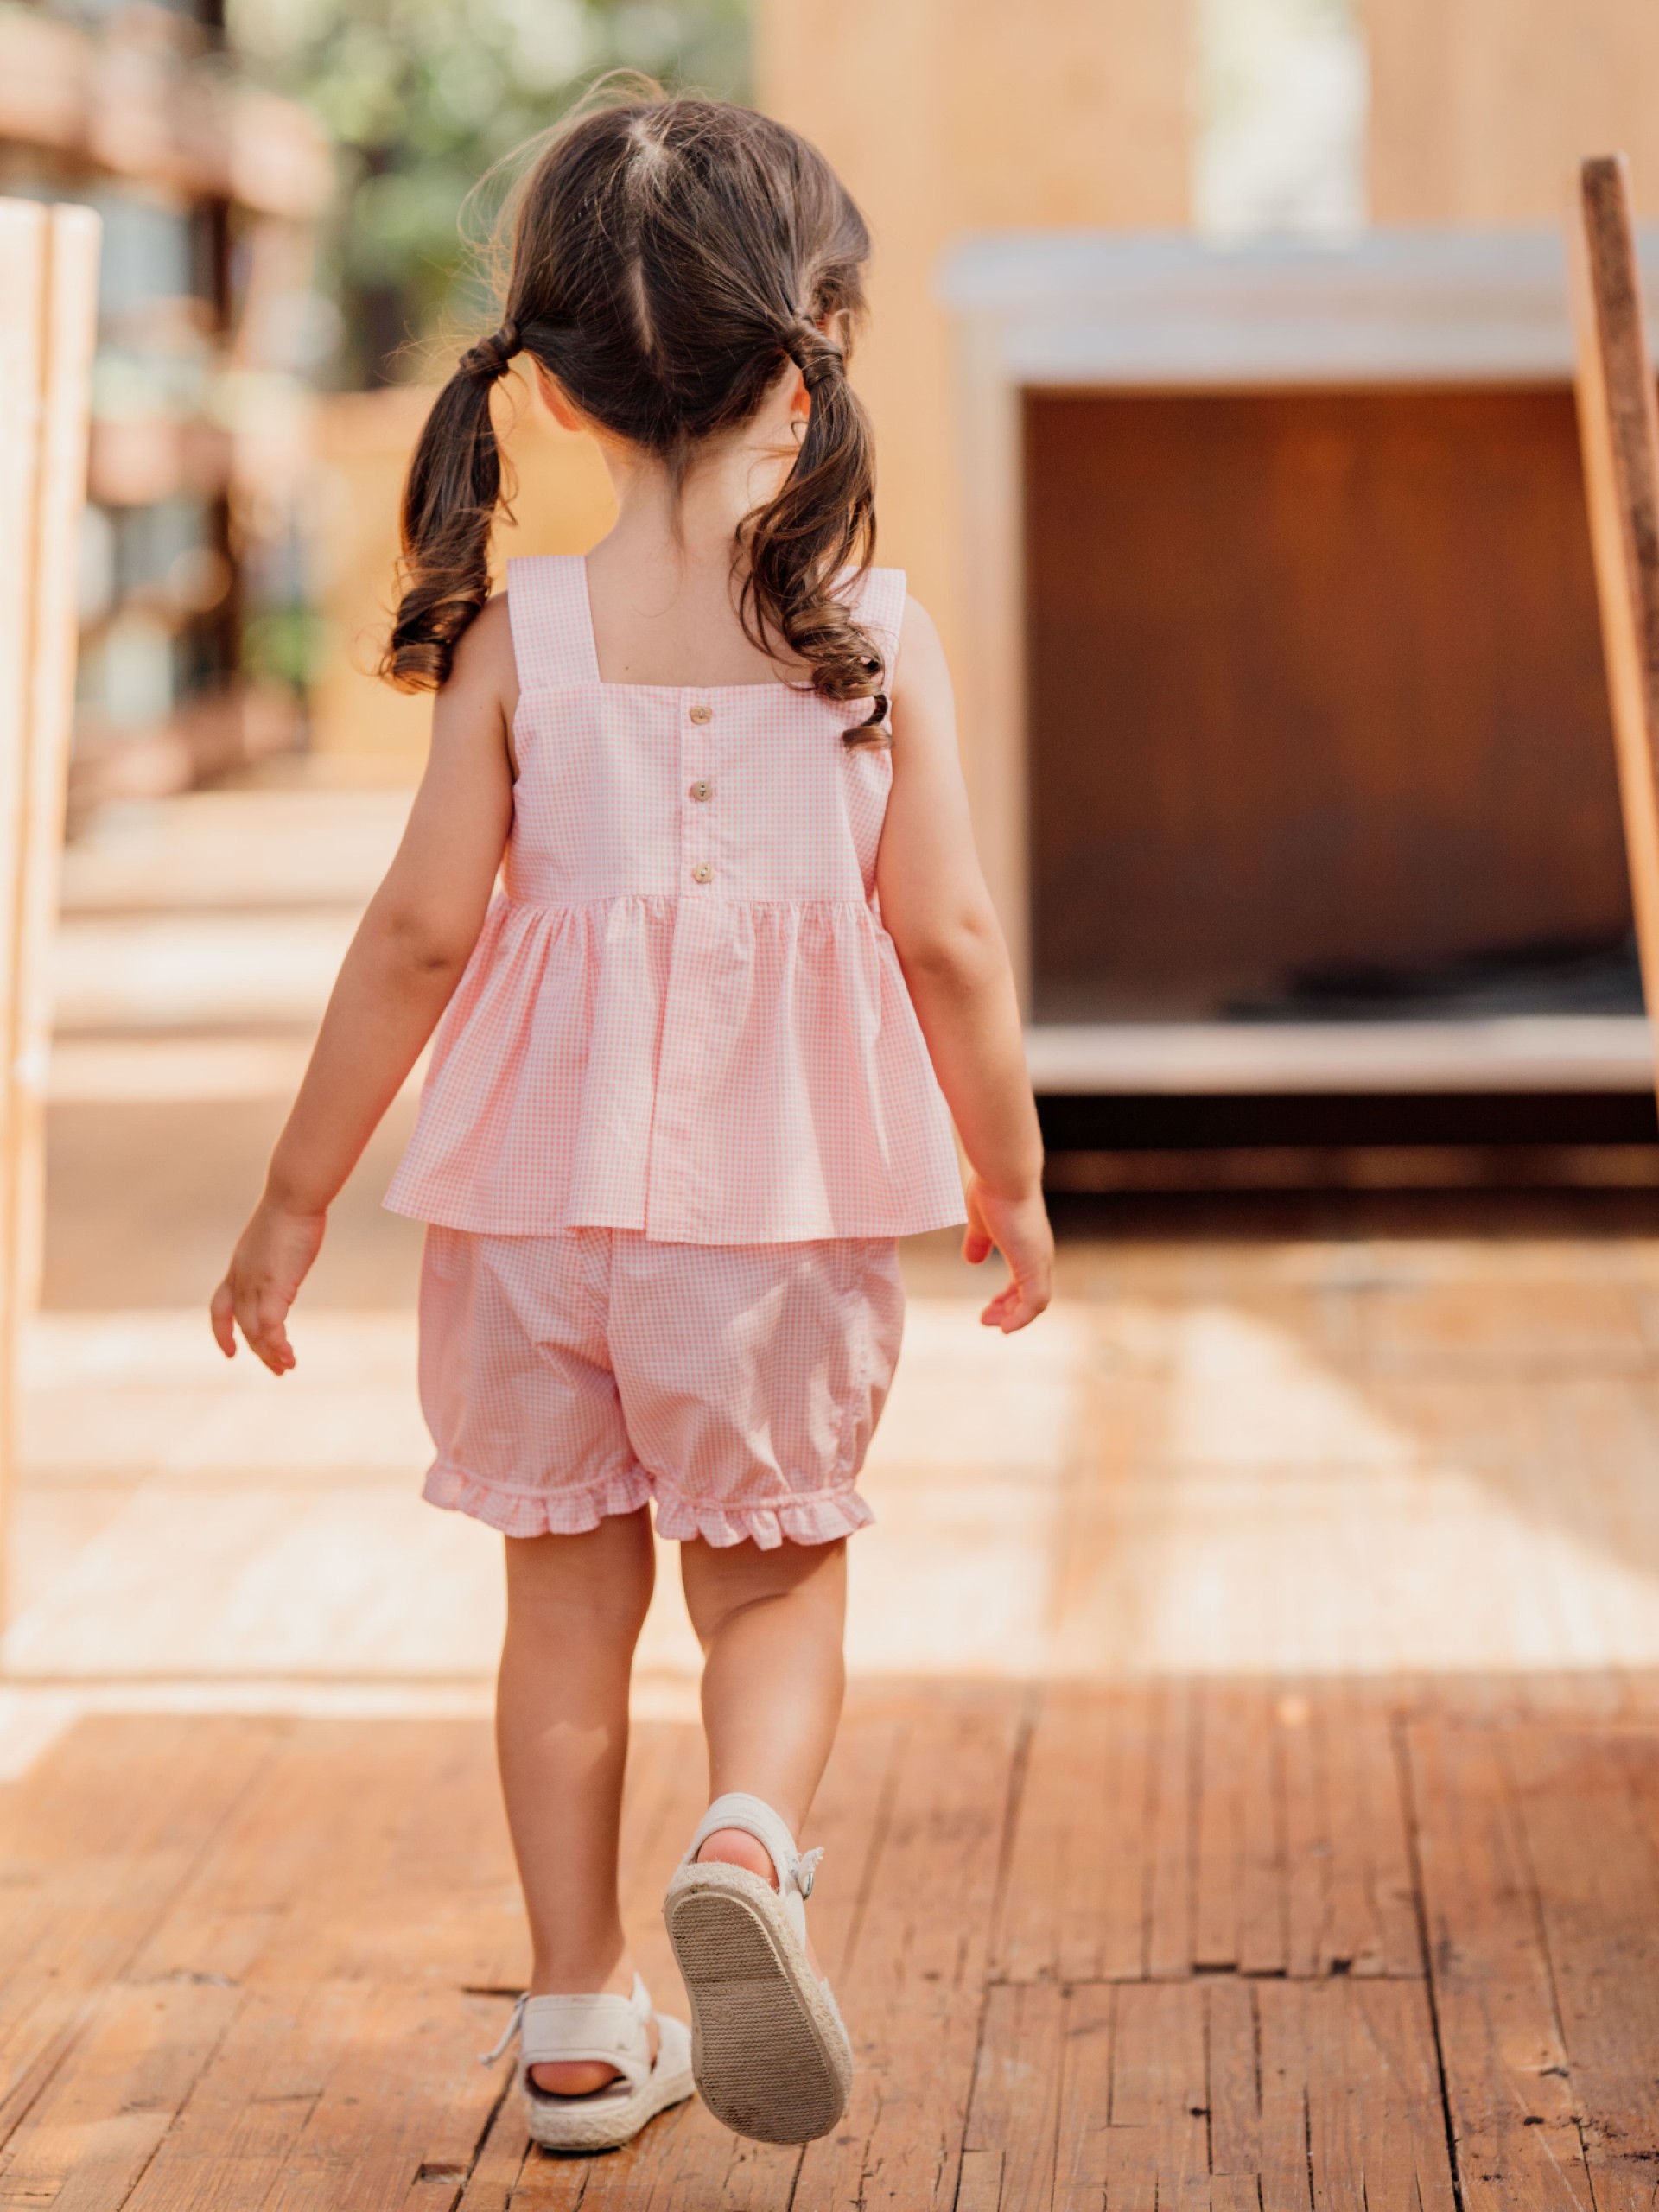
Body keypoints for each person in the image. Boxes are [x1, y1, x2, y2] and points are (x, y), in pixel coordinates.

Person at [210, 86, 1052, 2153]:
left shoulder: (525, 639)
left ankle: (578, 2021)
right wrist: (1009, 1174)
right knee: (769, 1587)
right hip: (765, 1228)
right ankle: (752, 1850)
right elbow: (945, 934)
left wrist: (292, 1198)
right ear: (806, 363)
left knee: (561, 1616)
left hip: (526, 1220)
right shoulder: (867, 641)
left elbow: (419, 933)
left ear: (561, 396)